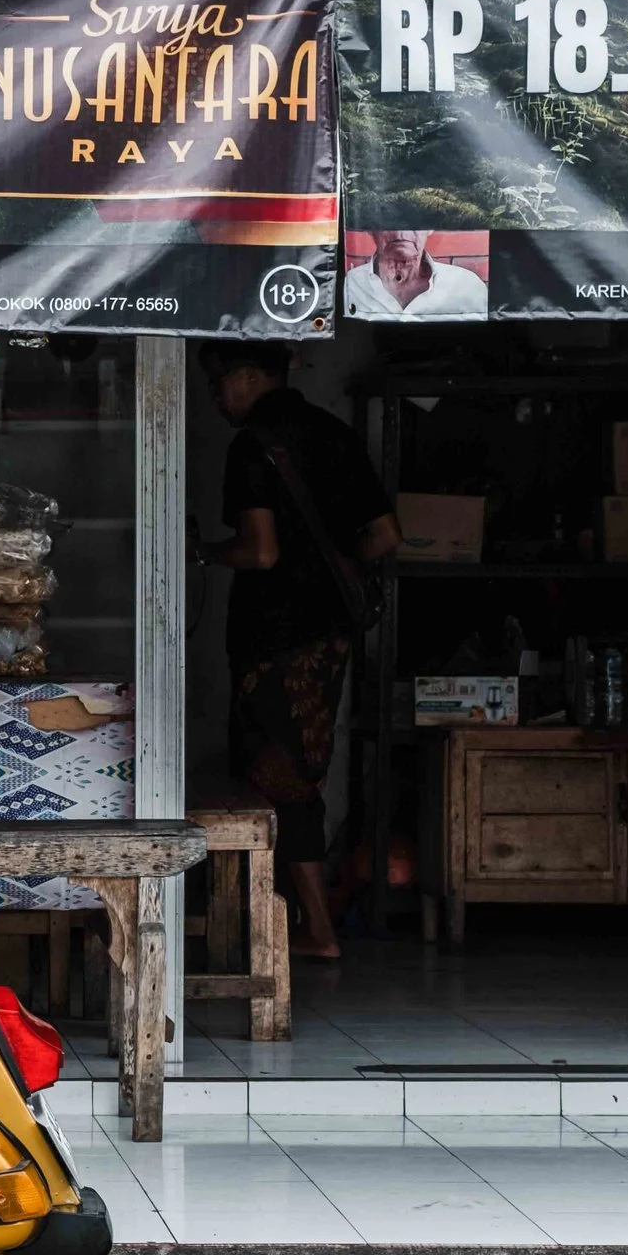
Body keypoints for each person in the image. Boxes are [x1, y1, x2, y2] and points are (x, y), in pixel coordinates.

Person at [197, 341, 401, 960]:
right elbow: (384, 535)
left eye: (222, 382)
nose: (216, 397)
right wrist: (330, 577)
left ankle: (315, 929)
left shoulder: (253, 444)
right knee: (301, 770)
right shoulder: (334, 433)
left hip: (274, 638)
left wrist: (204, 553)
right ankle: (288, 922)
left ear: (253, 376)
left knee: (274, 778)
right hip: (328, 637)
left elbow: (261, 551)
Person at [343, 229, 487, 318]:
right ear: (370, 228)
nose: (400, 232)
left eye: (411, 219)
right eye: (388, 218)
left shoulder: (467, 287)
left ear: (430, 227)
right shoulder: (348, 286)